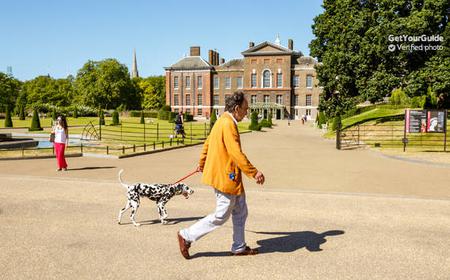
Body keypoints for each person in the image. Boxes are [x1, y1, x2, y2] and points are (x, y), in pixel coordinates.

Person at [177, 91, 265, 259]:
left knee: (240, 211)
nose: (247, 113)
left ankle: (239, 246)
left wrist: (202, 163)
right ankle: (186, 235)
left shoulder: (221, 120)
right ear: (237, 108)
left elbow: (207, 144)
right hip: (227, 176)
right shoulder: (228, 124)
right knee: (221, 214)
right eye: (245, 109)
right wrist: (254, 172)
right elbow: (236, 153)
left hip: (228, 176)